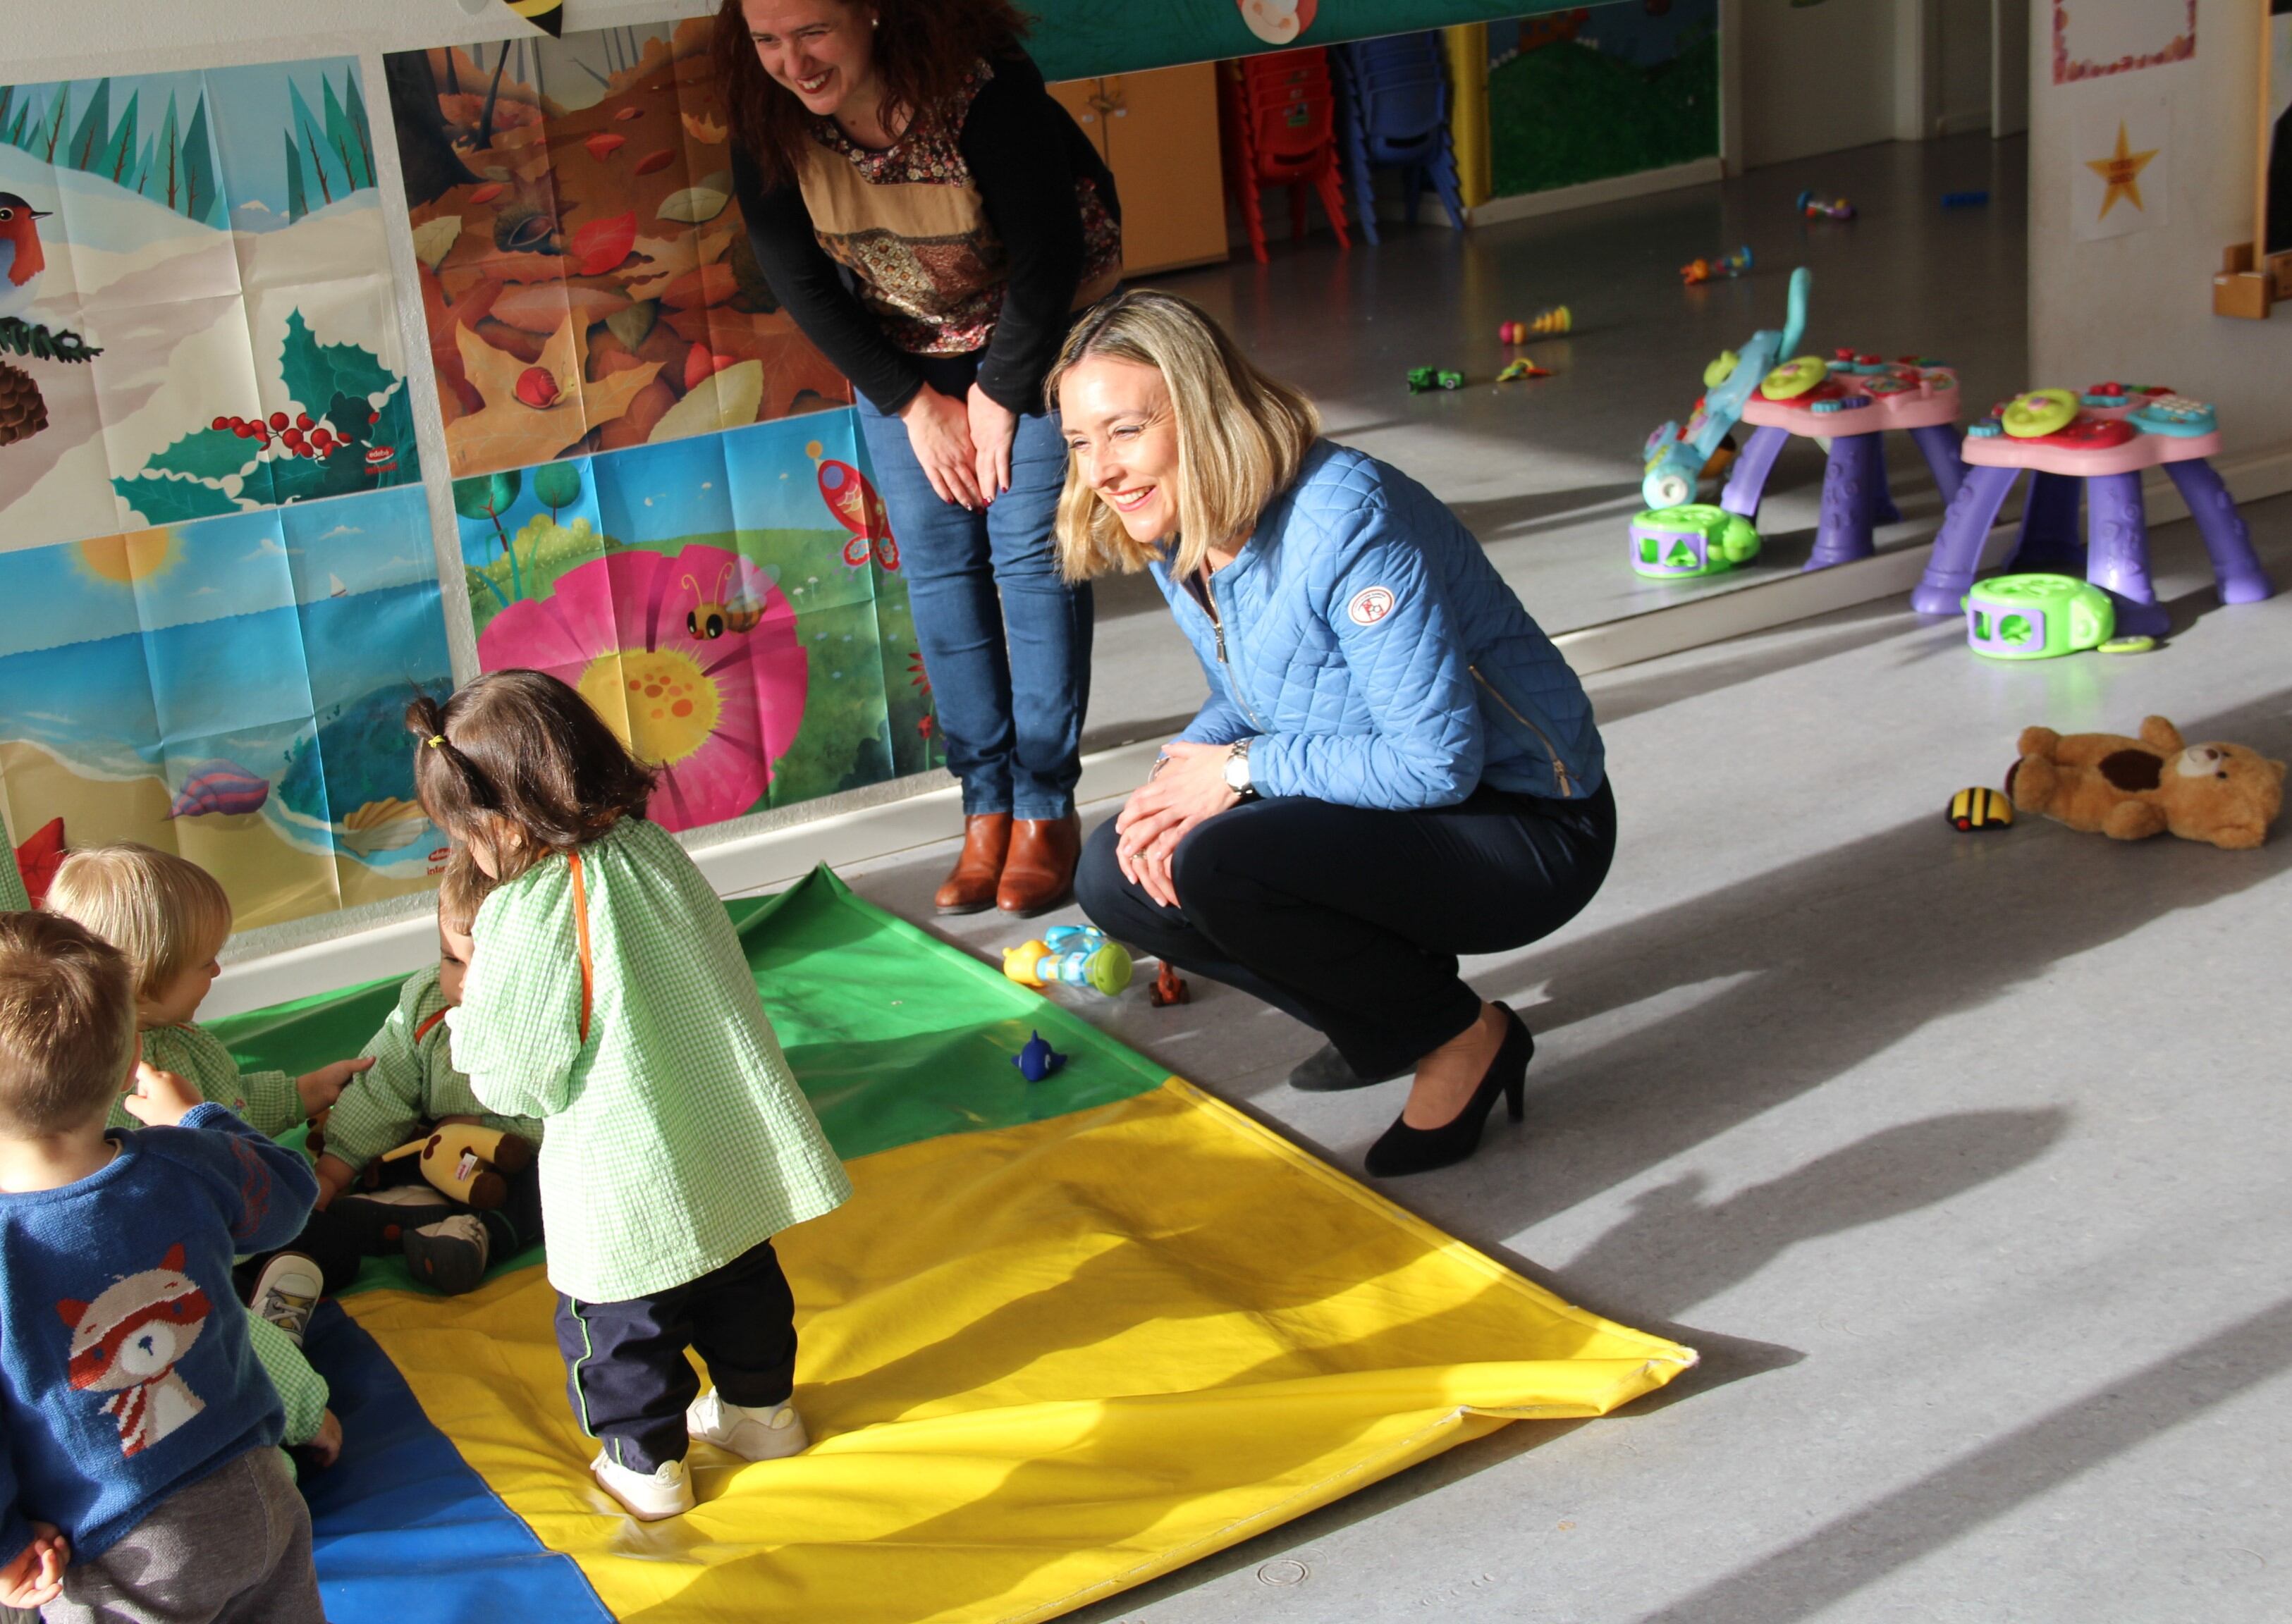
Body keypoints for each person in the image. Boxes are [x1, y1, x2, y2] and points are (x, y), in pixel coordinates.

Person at [1053, 290, 1617, 1179]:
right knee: (1115, 874)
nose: (1101, 472)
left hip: (1528, 820)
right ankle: (1395, 1010)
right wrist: (1176, 778)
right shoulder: (1181, 525)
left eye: (1124, 432)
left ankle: (1462, 1039)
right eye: (1080, 444)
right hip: (1392, 801)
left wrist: (1236, 770)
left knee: (1219, 863)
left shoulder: (1347, 518)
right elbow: (1262, 692)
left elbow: (1435, 761)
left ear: (1200, 415)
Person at [407, 670, 852, 1522]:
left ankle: (646, 1466)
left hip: (627, 1173)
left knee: (619, 1326)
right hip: (720, 1136)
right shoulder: (650, 851)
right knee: (741, 1280)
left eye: (465, 835)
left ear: (503, 820)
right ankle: (764, 1414)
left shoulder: (530, 910)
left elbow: (516, 1076)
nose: (469, 855)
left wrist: (469, 1025)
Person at [718, 0, 1121, 915]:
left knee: (1029, 556)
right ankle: (986, 804)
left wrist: (1000, 393)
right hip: (908, 349)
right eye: (768, 42)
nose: (794, 62)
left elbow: (1048, 256)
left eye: (812, 31)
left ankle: (1046, 804)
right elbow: (801, 284)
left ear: (869, 9)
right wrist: (912, 403)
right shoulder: (767, 120)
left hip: (1041, 321)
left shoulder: (981, 90)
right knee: (939, 568)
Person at [0, 911, 325, 1620]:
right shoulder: (184, 1163)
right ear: (129, 1059)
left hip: (123, 1547)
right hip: (259, 1488)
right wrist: (197, 1120)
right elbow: (288, 1199)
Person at [42, 847, 373, 1336]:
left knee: (337, 1243)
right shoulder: (105, 1076)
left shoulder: (187, 1039)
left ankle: (260, 1301)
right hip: (175, 1249)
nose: (217, 972)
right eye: (204, 963)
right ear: (142, 980)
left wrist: (305, 1091)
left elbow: (233, 1102)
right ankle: (255, 1323)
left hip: (240, 1225)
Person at [293, 851, 547, 1298]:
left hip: (517, 1160)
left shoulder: (549, 1016)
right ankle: (410, 1204)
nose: (465, 983)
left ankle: (477, 1236)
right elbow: (382, 1087)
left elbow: (574, 1113)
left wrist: (488, 1127)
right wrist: (333, 1172)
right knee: (400, 1145)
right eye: (452, 961)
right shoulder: (427, 1003)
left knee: (544, 1189)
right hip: (438, 1154)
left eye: (485, 965)